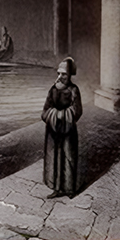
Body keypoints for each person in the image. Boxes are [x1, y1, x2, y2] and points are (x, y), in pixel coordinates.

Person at [41, 57, 82, 197]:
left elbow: (77, 111)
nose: (60, 77)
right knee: (54, 159)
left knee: (68, 157)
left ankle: (70, 189)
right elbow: (45, 110)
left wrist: (62, 116)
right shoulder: (53, 89)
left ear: (70, 75)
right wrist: (54, 115)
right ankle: (56, 189)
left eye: (63, 74)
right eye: (59, 73)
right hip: (53, 130)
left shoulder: (74, 90)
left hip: (68, 131)